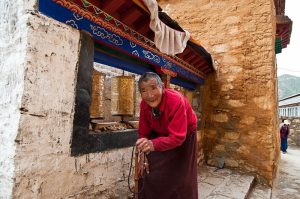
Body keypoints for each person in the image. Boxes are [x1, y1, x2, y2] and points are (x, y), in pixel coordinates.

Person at [135, 72, 198, 199]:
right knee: (149, 171)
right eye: (144, 91)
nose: (150, 95)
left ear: (162, 87)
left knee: (180, 177)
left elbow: (178, 137)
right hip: (160, 133)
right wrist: (142, 153)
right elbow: (143, 132)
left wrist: (153, 144)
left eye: (153, 88)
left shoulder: (175, 100)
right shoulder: (144, 104)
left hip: (183, 135)